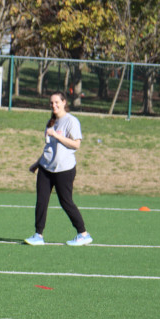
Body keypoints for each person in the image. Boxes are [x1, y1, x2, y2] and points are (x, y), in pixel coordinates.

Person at [25, 92, 93, 246]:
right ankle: (38, 235)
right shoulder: (51, 121)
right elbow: (49, 147)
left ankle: (83, 234)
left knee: (66, 202)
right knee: (41, 201)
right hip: (46, 168)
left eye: (57, 102)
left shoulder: (71, 121)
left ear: (64, 102)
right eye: (51, 103)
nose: (54, 105)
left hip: (64, 169)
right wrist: (37, 163)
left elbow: (76, 144)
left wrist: (56, 135)